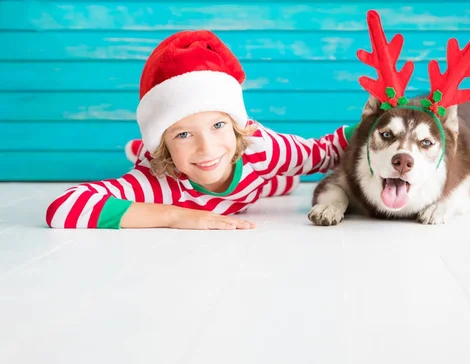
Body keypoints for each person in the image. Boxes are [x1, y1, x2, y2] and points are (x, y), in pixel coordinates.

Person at [45, 29, 356, 230]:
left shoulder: (261, 147)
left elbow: (326, 150)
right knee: (269, 179)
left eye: (218, 125)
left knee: (284, 181)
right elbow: (62, 208)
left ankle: (275, 183)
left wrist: (383, 119)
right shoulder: (157, 181)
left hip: (254, 183)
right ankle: (141, 148)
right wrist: (174, 216)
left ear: (237, 126)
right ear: (162, 144)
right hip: (169, 171)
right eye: (183, 134)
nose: (206, 148)